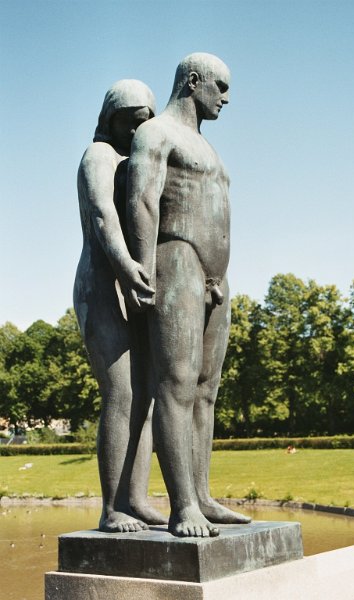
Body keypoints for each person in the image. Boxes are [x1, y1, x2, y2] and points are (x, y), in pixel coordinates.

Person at [126, 53, 250, 537]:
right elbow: (141, 199)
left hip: (217, 278)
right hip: (176, 259)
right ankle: (183, 508)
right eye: (219, 86)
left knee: (206, 391)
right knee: (176, 383)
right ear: (193, 82)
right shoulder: (156, 133)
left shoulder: (206, 147)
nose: (226, 97)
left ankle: (202, 495)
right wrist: (142, 267)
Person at [74, 80, 167, 532]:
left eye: (144, 121)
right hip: (101, 287)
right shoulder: (99, 157)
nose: (138, 129)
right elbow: (100, 214)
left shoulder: (134, 161)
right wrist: (128, 266)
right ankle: (112, 507)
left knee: (146, 396)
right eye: (131, 120)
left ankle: (137, 497)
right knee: (122, 393)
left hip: (129, 286)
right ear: (112, 117)